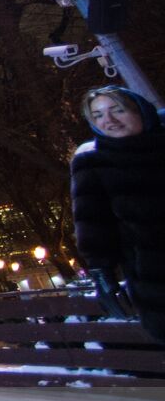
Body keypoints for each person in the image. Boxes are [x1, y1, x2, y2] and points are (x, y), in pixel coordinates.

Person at [71, 85, 165, 343]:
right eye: (98, 115)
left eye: (117, 110)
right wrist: (102, 274)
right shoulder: (93, 163)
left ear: (140, 111)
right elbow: (93, 227)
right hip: (155, 279)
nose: (108, 120)